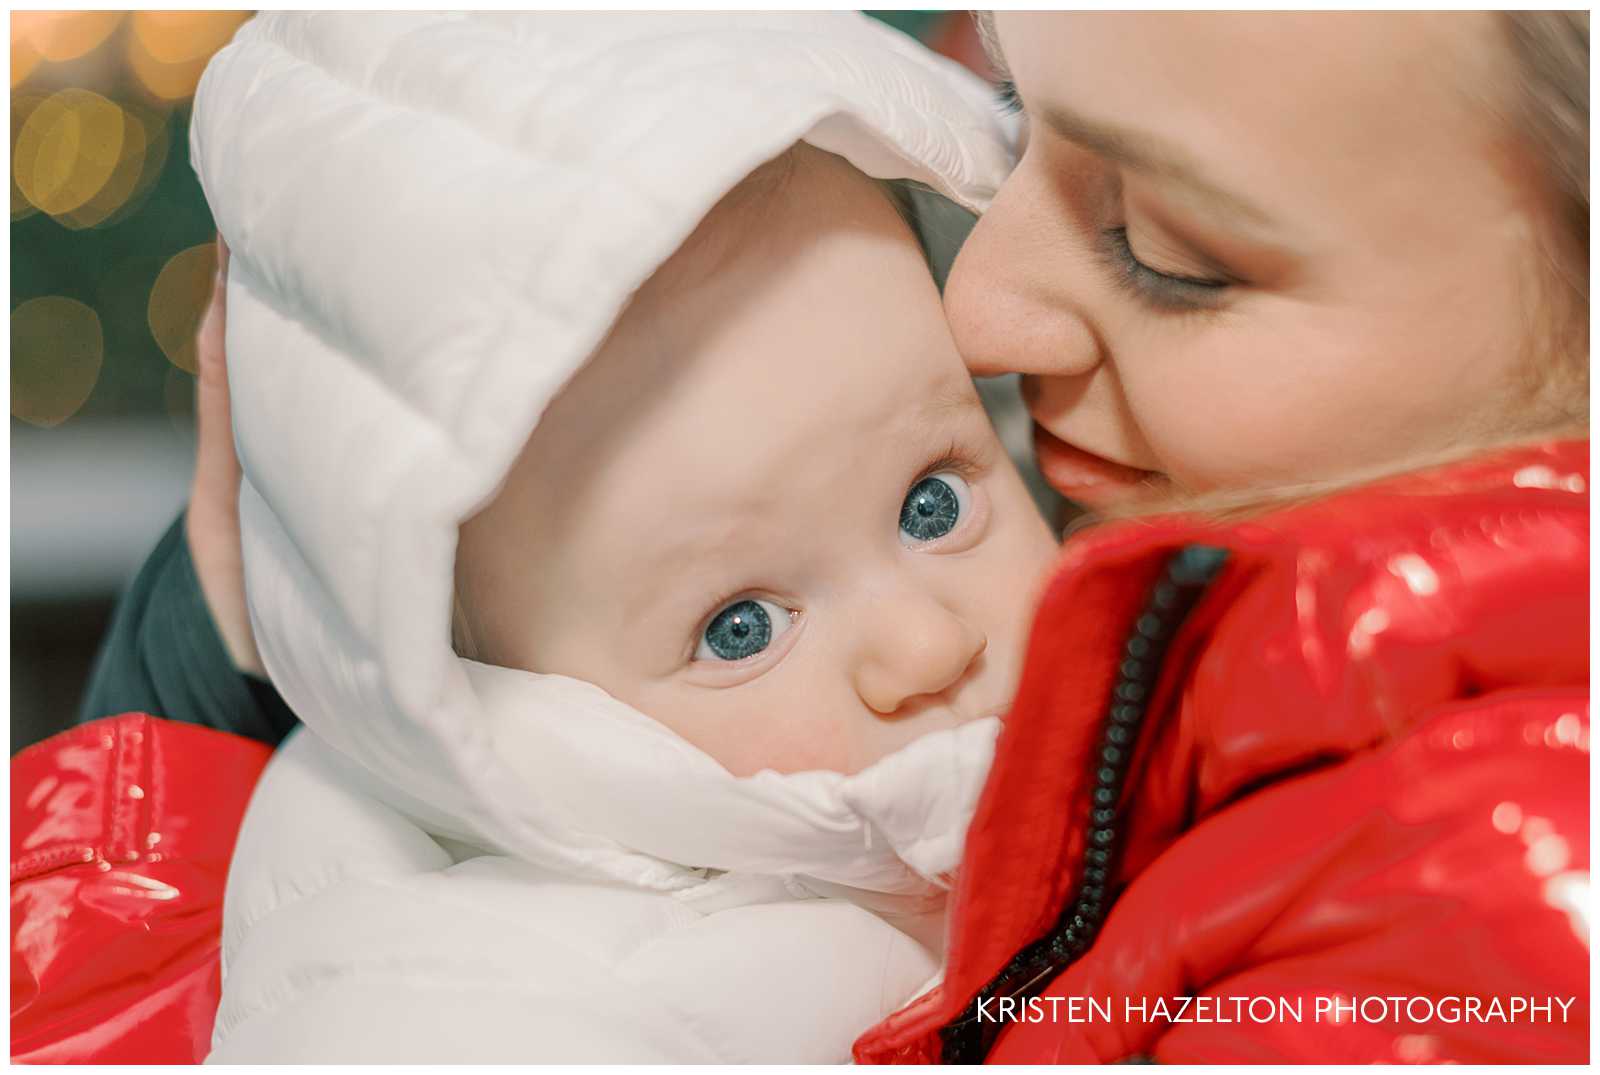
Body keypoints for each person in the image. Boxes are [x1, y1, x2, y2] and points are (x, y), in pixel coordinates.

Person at [41, 9, 1588, 1066]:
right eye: (1008, 127)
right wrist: (225, 668)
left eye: (1171, 255)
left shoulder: (1472, 926)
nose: (975, 307)